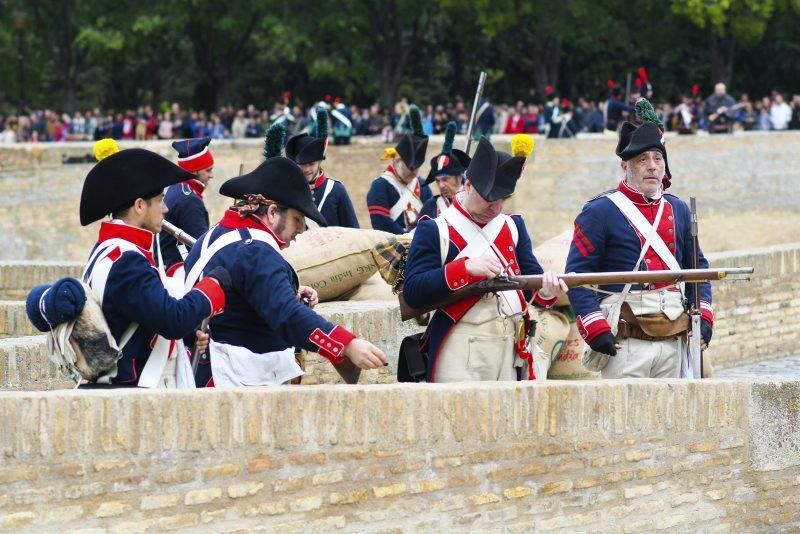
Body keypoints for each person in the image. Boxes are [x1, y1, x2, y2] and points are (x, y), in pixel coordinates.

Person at [183, 138, 388, 388]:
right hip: (238, 376)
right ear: (271, 213)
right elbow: (286, 315)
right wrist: (346, 344)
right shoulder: (257, 252)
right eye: (297, 219)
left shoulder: (221, 233)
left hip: (213, 368)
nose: (302, 230)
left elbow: (247, 291)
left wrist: (290, 290)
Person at [565, 98, 714, 379]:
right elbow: (577, 276)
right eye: (642, 159)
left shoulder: (677, 209)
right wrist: (595, 329)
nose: (652, 166)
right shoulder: (600, 211)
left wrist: (703, 316)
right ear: (625, 167)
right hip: (625, 339)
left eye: (657, 159)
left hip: (673, 335)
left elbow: (699, 269)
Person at [402, 136, 567, 383]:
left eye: (502, 198)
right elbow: (414, 291)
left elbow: (530, 283)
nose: (495, 205)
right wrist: (465, 267)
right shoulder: (436, 230)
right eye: (488, 197)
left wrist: (546, 292)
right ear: (467, 185)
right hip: (460, 342)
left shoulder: (513, 226)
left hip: (512, 342)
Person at [78, 146, 229, 388]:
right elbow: (172, 319)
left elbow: (142, 311)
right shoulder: (128, 260)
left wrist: (189, 335)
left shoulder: (111, 248)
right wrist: (212, 287)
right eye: (159, 201)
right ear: (139, 206)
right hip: (126, 388)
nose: (166, 208)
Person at [285, 107, 359, 229]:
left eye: (311, 164)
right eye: (302, 165)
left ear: (319, 162)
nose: (307, 169)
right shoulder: (288, 192)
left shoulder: (336, 190)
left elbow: (353, 230)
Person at [366, 104, 432, 234]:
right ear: (396, 160)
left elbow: (431, 217)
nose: (415, 171)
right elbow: (381, 224)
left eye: (417, 166)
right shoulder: (380, 186)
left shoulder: (423, 185)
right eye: (411, 166)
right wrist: (408, 238)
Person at [158, 137, 215, 272]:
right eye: (208, 170)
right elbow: (202, 246)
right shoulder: (189, 200)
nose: (211, 175)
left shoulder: (179, 189)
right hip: (178, 270)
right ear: (194, 171)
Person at [418, 121, 470, 220]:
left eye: (445, 179)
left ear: (459, 178)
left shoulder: (474, 203)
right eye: (437, 181)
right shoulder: (431, 206)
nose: (441, 185)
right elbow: (414, 232)